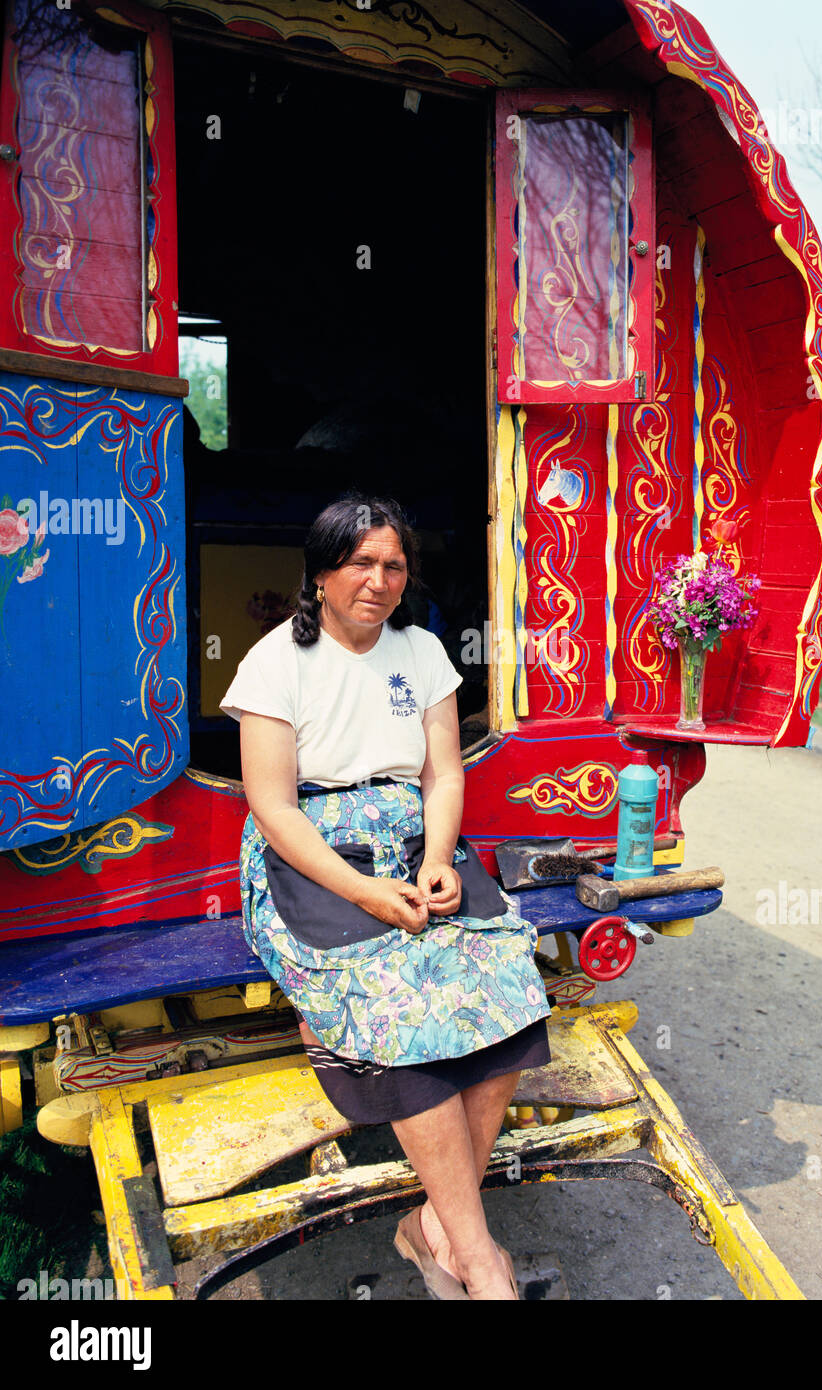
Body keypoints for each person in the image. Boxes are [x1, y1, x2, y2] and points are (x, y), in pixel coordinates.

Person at [219, 493, 552, 1300]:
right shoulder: (274, 661)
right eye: (360, 563)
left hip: (411, 834)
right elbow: (274, 807)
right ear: (322, 572)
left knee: (507, 976)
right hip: (313, 856)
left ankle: (433, 1228)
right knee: (397, 1000)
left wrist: (439, 859)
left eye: (393, 565)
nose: (378, 580)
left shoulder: (422, 652)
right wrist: (367, 894)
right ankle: (475, 1256)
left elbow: (442, 771)